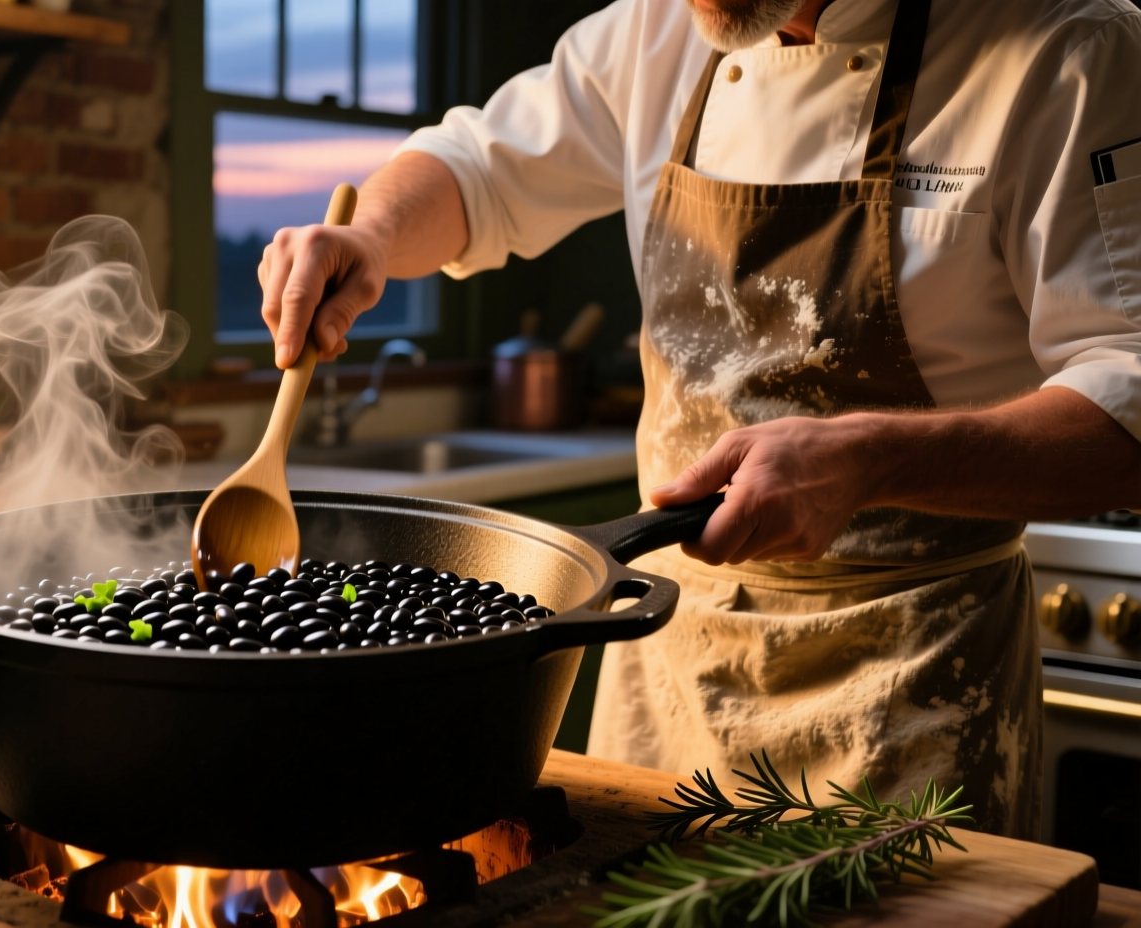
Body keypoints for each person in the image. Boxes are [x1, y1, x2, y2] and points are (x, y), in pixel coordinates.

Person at [255, 0, 1141, 837]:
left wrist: (869, 457)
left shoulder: (1069, 50)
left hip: (916, 687)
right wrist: (370, 232)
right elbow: (479, 169)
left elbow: (1129, 400)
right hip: (670, 661)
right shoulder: (653, 32)